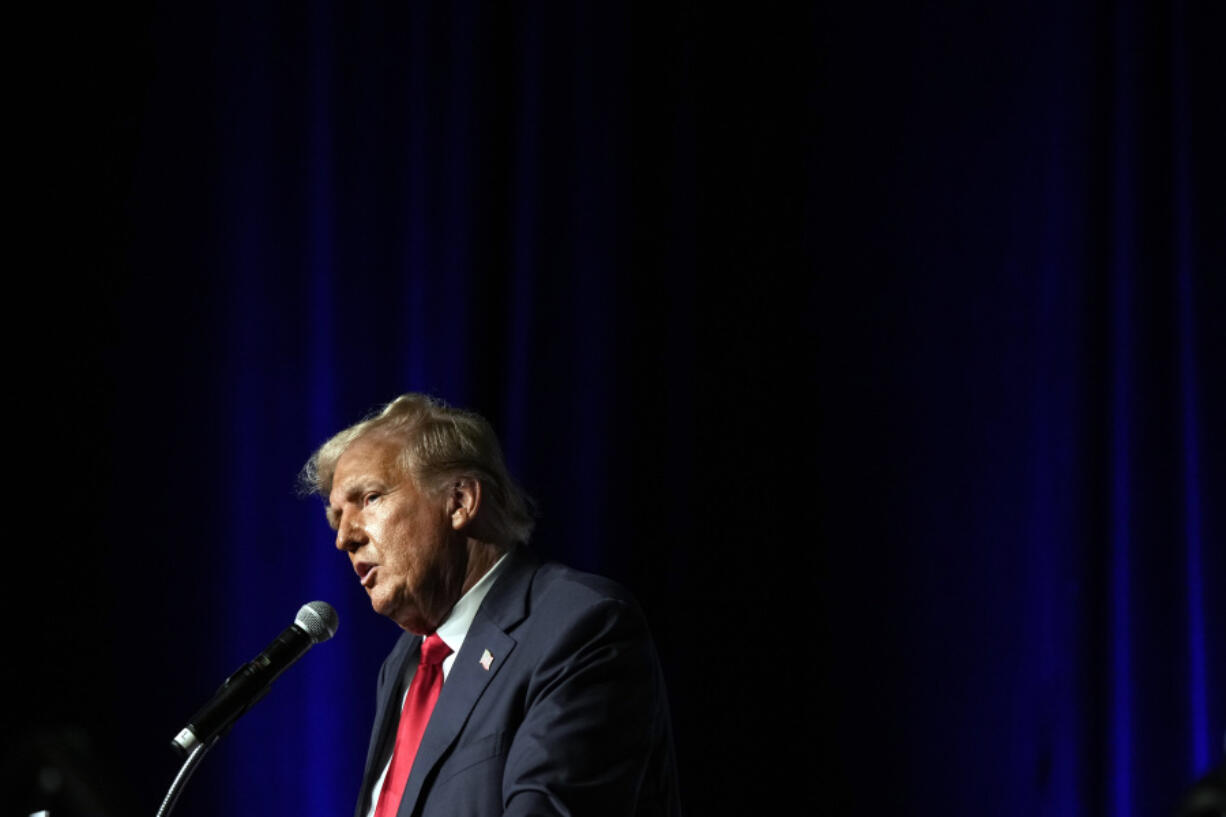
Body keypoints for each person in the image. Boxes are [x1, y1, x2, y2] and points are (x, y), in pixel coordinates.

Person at [299, 393, 681, 817]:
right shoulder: (403, 664)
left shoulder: (582, 625)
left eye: (369, 498)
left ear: (459, 501)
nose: (344, 538)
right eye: (337, 518)